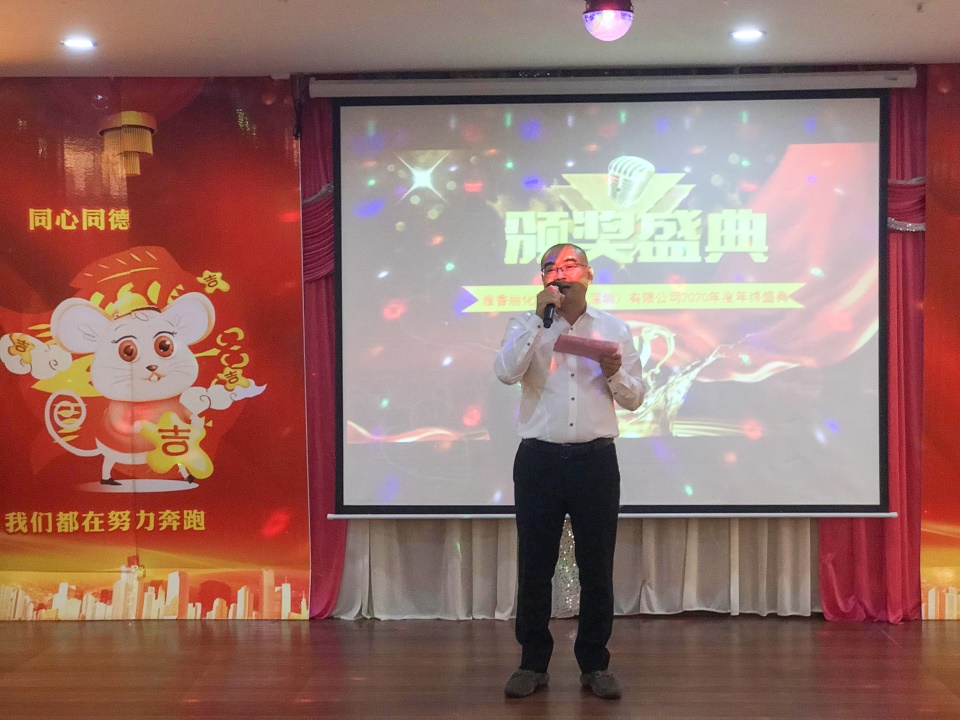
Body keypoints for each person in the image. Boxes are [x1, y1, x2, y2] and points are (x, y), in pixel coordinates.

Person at [494, 243, 647, 700]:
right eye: (550, 268)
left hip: (595, 462)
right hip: (539, 460)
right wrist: (538, 323)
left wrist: (615, 372)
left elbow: (635, 398)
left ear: (589, 275)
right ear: (542, 280)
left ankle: (595, 665)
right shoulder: (525, 324)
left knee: (596, 567)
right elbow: (506, 373)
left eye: (569, 265)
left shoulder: (614, 328)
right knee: (535, 565)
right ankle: (532, 663)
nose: (559, 273)